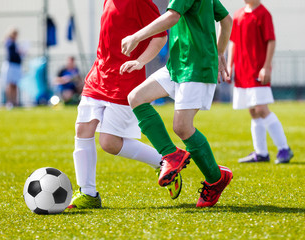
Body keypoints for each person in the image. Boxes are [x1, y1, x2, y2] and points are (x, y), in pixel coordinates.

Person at [68, 0, 180, 209]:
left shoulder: (140, 2)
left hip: (124, 78)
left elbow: (160, 37)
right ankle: (88, 194)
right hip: (98, 74)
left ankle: (164, 163)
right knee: (83, 128)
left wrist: (140, 62)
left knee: (109, 143)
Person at [120, 0, 233, 207]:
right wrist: (220, 52)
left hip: (196, 66)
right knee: (136, 98)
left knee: (182, 127)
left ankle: (216, 179)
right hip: (177, 65)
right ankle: (171, 154)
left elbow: (172, 16)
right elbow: (226, 20)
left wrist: (136, 37)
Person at [226, 0, 293, 164]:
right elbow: (233, 42)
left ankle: (284, 149)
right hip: (242, 72)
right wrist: (229, 65)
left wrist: (266, 67)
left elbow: (271, 40)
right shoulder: (238, 14)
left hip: (257, 70)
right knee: (253, 111)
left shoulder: (264, 14)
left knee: (262, 108)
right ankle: (261, 153)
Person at [1, 28, 23, 109]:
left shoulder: (15, 43)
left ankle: (15, 101)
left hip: (16, 65)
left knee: (15, 84)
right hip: (11, 65)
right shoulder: (9, 42)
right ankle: (9, 102)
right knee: (10, 84)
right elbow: (12, 54)